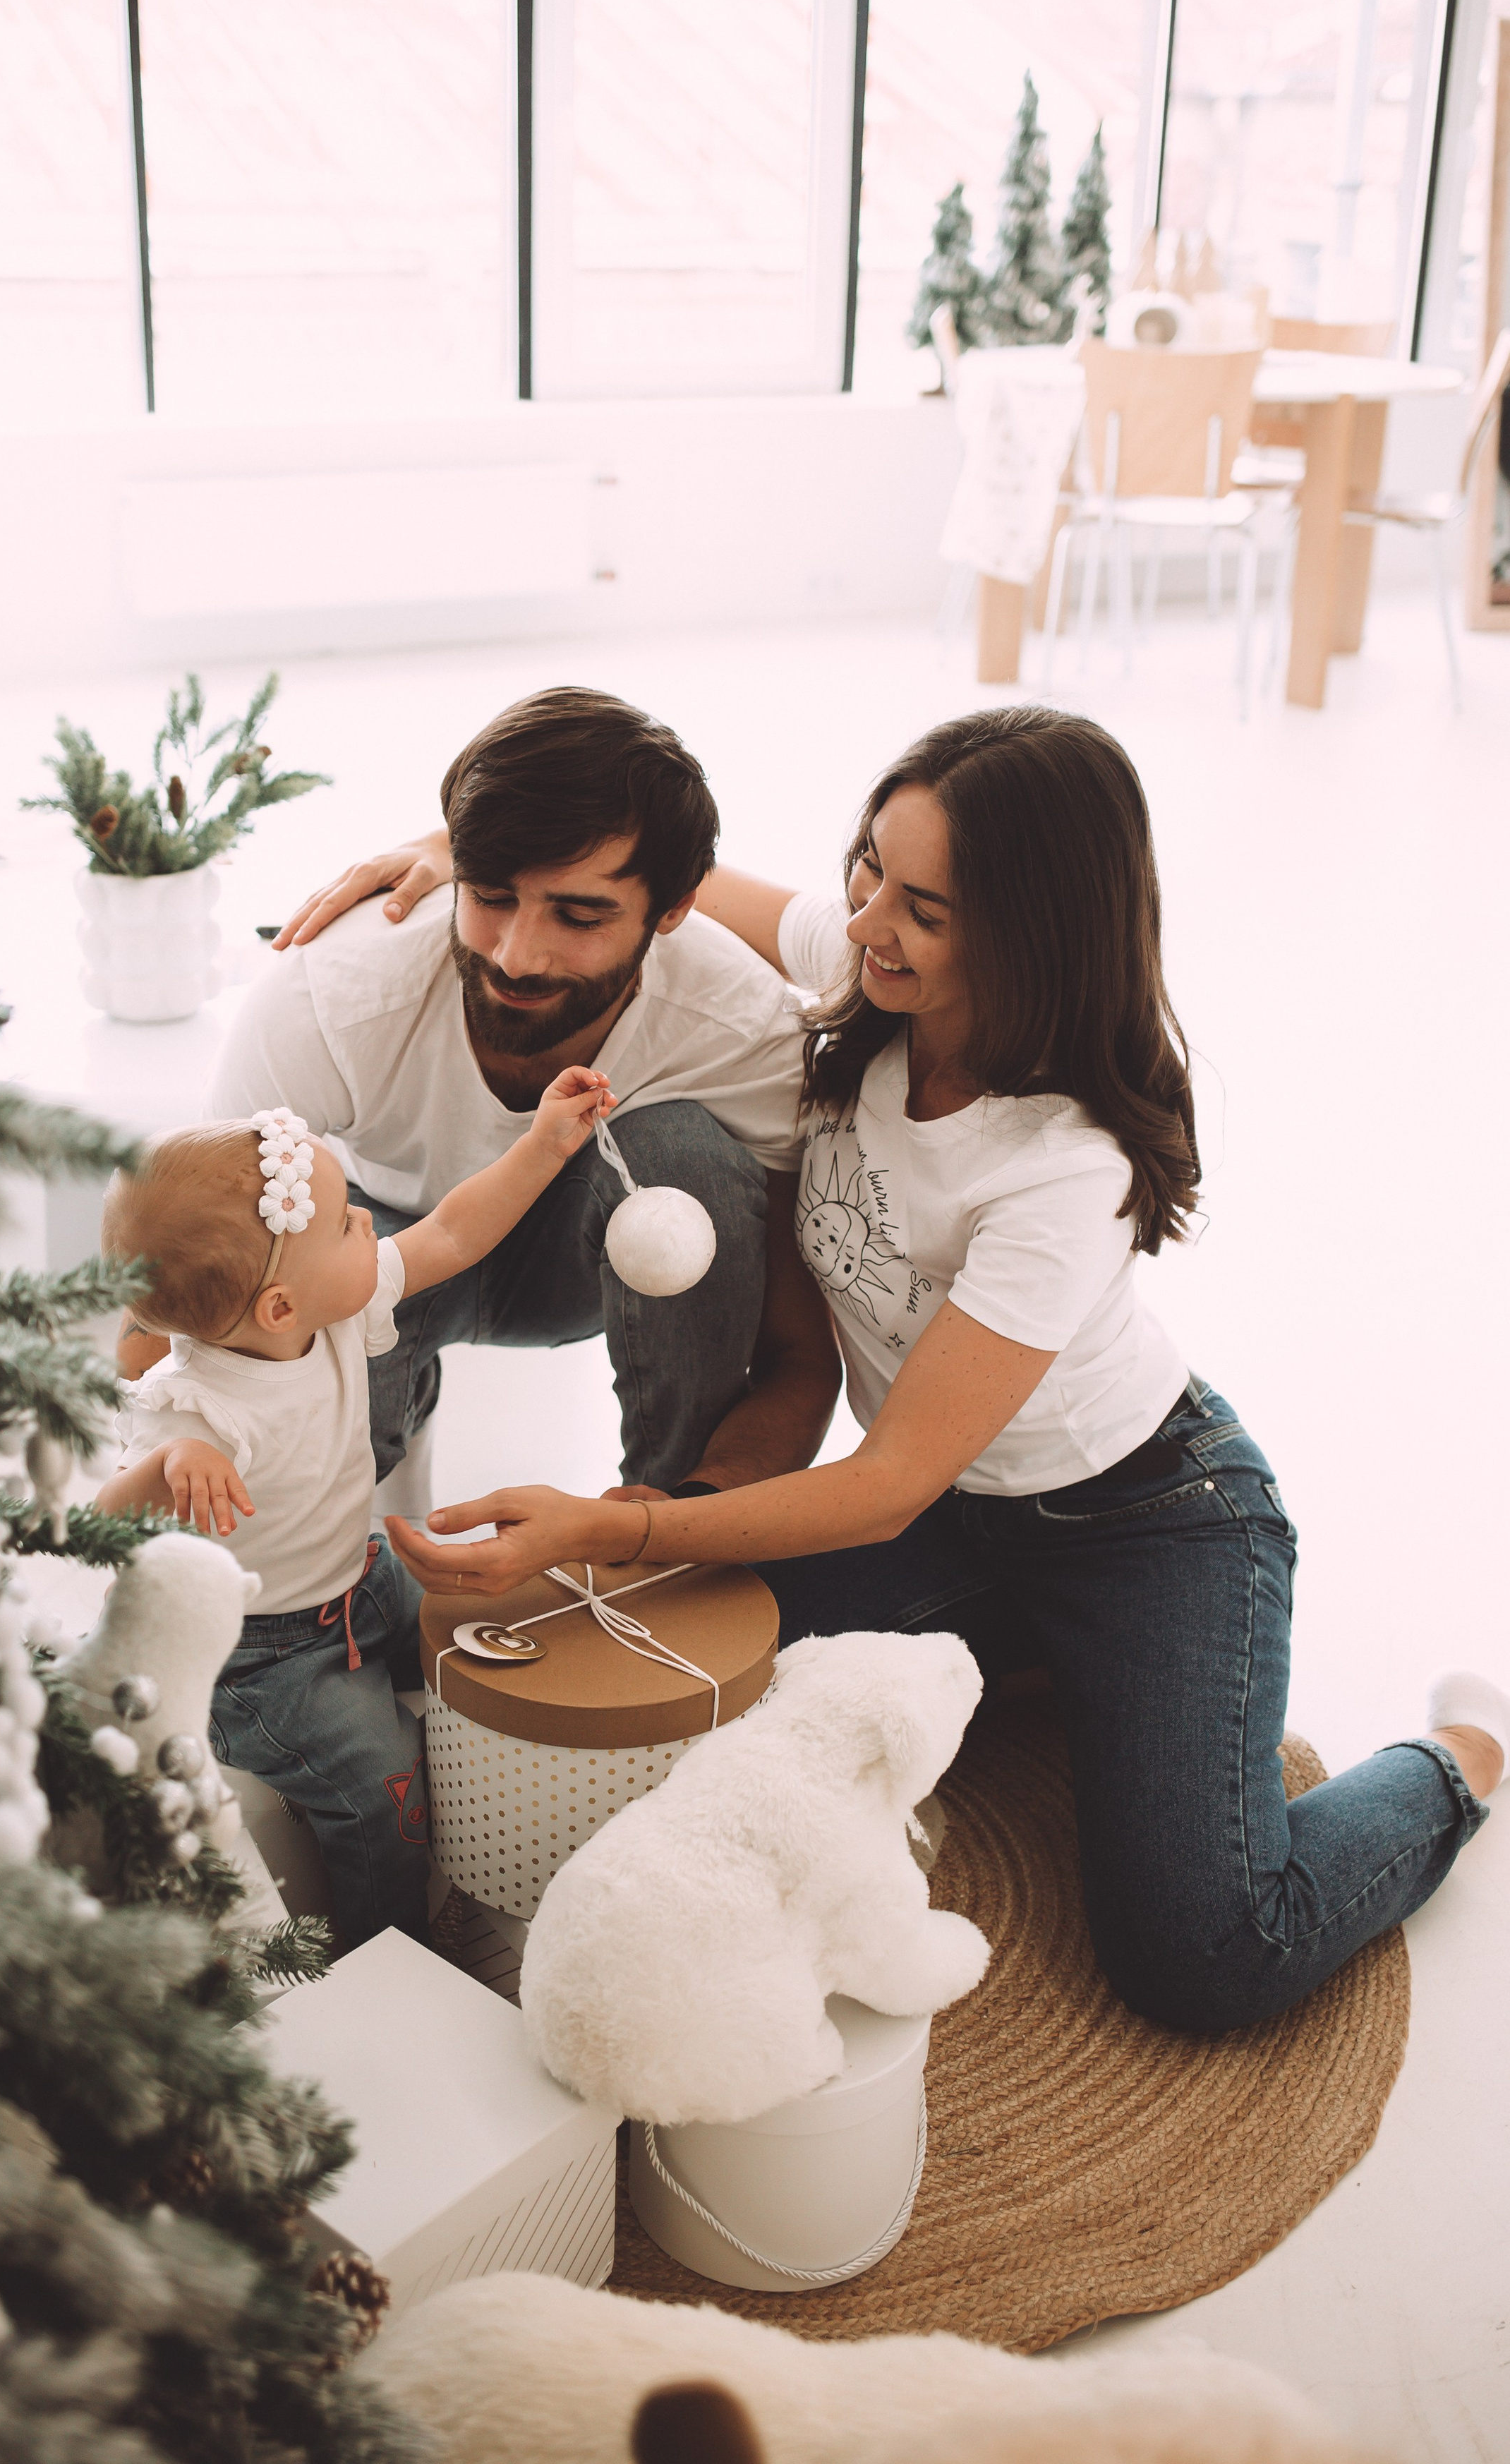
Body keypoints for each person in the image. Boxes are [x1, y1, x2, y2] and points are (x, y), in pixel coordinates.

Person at [372, 706, 1506, 2034]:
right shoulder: (872, 979)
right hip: (965, 1523)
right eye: (867, 871)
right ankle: (1025, 1660)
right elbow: (657, 881)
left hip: (1146, 1525)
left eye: (922, 907)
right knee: (672, 1680)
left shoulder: (1066, 1166)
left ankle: (1458, 1761)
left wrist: (619, 1523)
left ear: (1032, 930)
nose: (863, 925)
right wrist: (460, 864)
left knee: (1207, 1958)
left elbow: (893, 1479)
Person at [194, 687, 837, 1502]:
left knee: (686, 1161)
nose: (518, 956)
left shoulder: (741, 1025)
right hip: (383, 1249)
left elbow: (799, 1359)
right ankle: (378, 1428)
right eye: (491, 896)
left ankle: (669, 1546)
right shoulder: (329, 994)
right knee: (295, 1308)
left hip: (582, 1262)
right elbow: (185, 1286)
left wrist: (685, 1519)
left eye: (578, 916)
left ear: (673, 909)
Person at [95, 1067, 616, 1946]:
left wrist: (542, 1144)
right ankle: (393, 1943)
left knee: (490, 1633)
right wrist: (172, 1464)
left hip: (355, 1575)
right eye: (344, 1223)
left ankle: (514, 1808)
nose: (368, 1224)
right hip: (263, 1658)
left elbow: (453, 1231)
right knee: (381, 1790)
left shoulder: (325, 1309)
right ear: (278, 1304)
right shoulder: (198, 1409)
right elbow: (106, 1523)